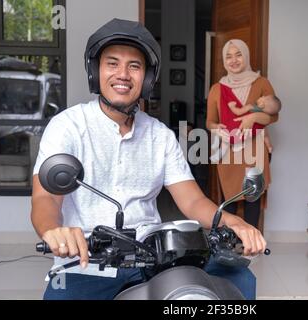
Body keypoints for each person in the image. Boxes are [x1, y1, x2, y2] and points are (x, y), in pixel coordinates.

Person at [30, 19, 266, 300]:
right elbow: (45, 198)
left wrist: (232, 222)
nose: (123, 74)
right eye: (112, 63)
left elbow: (192, 201)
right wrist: (54, 230)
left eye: (134, 66)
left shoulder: (161, 135)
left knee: (239, 278)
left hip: (153, 255)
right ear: (95, 71)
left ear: (148, 77)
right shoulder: (67, 126)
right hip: (89, 259)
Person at [206, 39, 280, 229]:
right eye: (228, 56)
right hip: (227, 149)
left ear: (246, 56)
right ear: (224, 60)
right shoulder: (217, 89)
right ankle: (230, 243)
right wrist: (217, 129)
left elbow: (273, 117)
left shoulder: (261, 83)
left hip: (255, 148)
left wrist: (253, 117)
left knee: (252, 196)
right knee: (229, 198)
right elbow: (209, 122)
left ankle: (251, 242)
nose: (233, 60)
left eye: (238, 54)